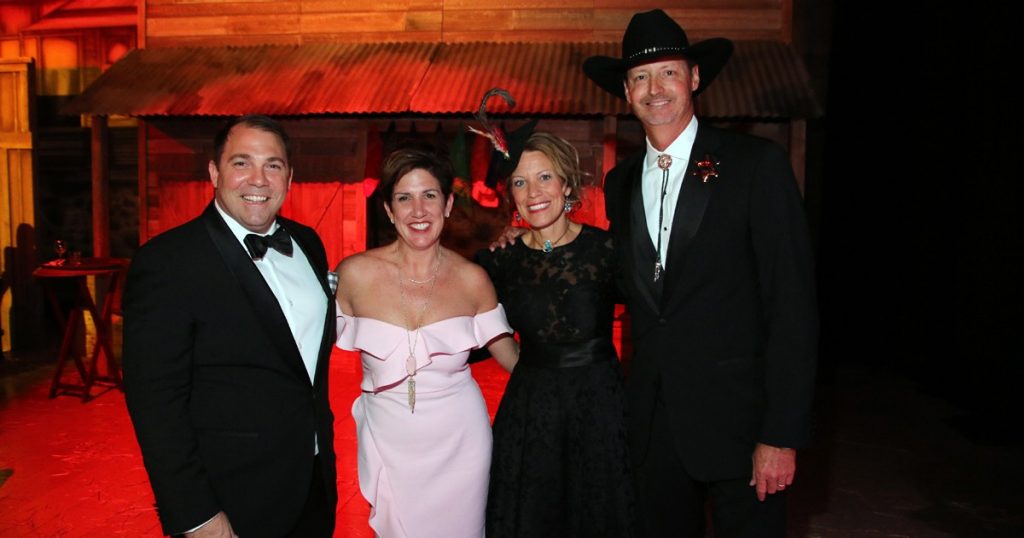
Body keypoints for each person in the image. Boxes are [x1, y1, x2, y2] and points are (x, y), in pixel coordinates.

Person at [582, 9, 818, 538]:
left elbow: (793, 307)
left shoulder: (757, 165)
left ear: (694, 78)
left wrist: (781, 434)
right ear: (626, 91)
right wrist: (535, 241)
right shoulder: (619, 184)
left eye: (668, 71)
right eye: (640, 77)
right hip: (653, 427)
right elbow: (631, 285)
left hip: (742, 426)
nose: (654, 88)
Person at [122, 114, 338, 538]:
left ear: (289, 178)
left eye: (273, 165)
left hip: (312, 478)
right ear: (214, 172)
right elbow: (155, 404)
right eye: (242, 163)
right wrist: (197, 515)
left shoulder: (308, 243)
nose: (258, 179)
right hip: (232, 496)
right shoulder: (167, 261)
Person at [334, 147, 519, 537]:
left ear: (448, 204)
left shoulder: (473, 280)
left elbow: (516, 363)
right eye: (404, 197)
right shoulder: (355, 275)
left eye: (429, 196)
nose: (418, 211)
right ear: (388, 209)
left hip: (460, 446)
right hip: (389, 441)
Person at [477, 130, 634, 537]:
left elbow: (659, 315)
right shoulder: (500, 259)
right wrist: (526, 369)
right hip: (531, 416)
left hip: (600, 407)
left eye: (545, 177)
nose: (533, 192)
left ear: (567, 184)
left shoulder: (606, 249)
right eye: (519, 182)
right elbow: (477, 322)